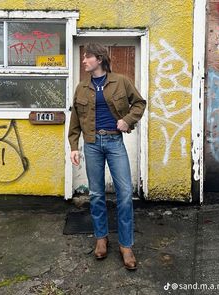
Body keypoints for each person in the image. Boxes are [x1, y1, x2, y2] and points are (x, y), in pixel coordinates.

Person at [68, 43, 146, 270]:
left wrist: (127, 121)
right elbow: (75, 119)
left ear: (99, 59)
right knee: (96, 194)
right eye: (83, 56)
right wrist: (74, 146)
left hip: (114, 142)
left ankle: (126, 245)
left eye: (88, 56)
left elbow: (139, 103)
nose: (84, 60)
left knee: (123, 194)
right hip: (91, 144)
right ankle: (101, 238)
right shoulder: (82, 87)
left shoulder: (120, 81)